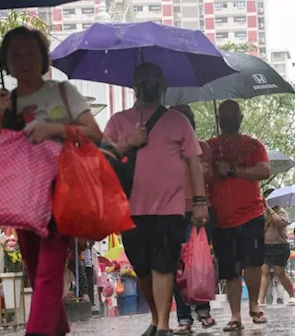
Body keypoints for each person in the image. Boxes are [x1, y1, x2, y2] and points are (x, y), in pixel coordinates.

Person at [0, 26, 103, 336]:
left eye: (30, 52)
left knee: (49, 271)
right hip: (22, 197)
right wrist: (2, 117)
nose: (23, 59)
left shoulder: (62, 93)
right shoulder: (2, 101)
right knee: (37, 273)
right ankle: (59, 328)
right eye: (15, 54)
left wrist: (54, 129)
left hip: (60, 190)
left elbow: (94, 133)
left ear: (43, 57)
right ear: (6, 61)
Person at [104, 63, 208, 336]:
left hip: (169, 208)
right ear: (134, 86)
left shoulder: (178, 121)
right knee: (143, 269)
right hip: (128, 208)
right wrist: (128, 141)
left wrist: (199, 201)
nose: (149, 84)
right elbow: (100, 157)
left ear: (163, 86)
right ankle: (155, 317)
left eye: (153, 79)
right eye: (143, 79)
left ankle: (162, 324)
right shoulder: (118, 121)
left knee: (163, 265)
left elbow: (194, 163)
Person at [208, 100, 271, 332]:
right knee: (230, 269)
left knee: (253, 263)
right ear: (218, 120)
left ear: (241, 118)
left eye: (233, 115)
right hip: (222, 219)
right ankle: (235, 315)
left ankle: (254, 305)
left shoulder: (253, 146)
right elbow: (201, 175)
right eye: (225, 116)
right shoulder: (210, 148)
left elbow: (264, 170)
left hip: (251, 214)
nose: (229, 119)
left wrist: (234, 171)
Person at [172, 105, 216, 334]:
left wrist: (204, 169)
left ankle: (203, 308)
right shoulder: (166, 149)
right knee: (176, 265)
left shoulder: (203, 147)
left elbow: (210, 176)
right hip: (172, 209)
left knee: (199, 262)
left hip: (198, 209)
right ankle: (183, 316)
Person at [259, 189, 295, 307]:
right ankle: (261, 300)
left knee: (279, 272)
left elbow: (279, 223)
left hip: (279, 246)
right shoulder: (262, 212)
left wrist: (269, 209)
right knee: (264, 271)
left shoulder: (281, 212)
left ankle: (292, 296)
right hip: (265, 245)